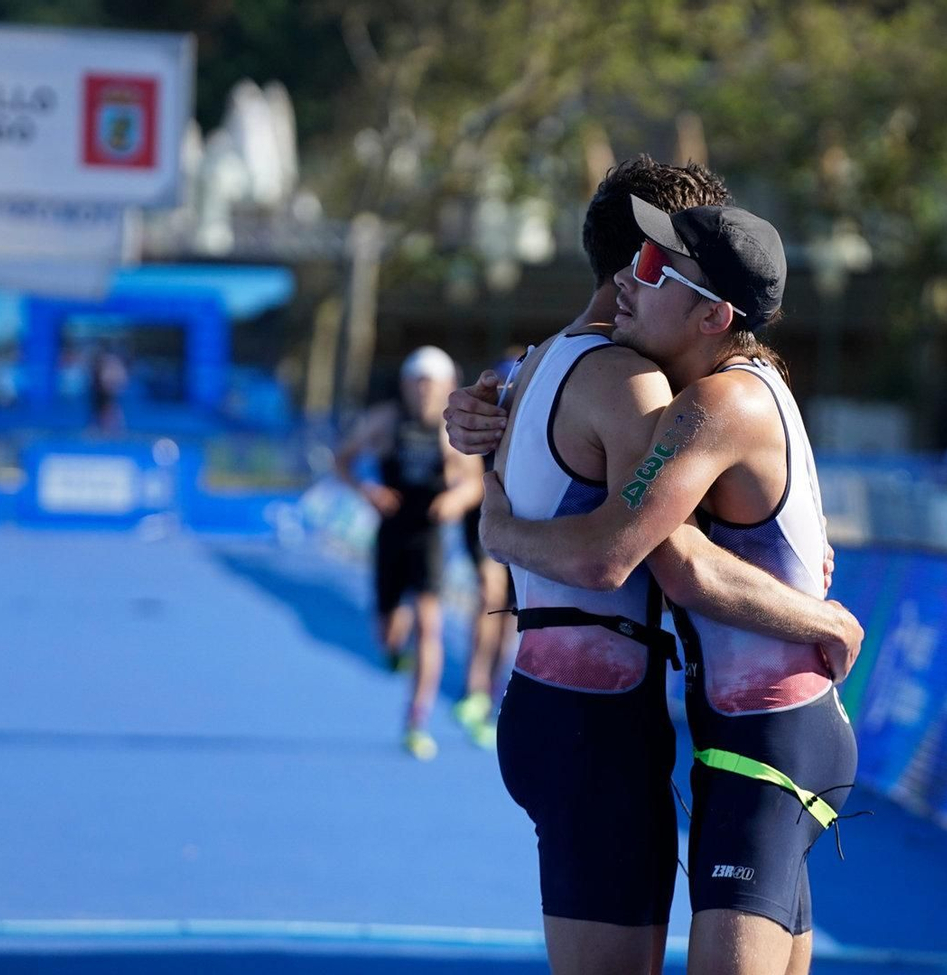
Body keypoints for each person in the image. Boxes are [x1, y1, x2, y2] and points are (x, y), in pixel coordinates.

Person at [446, 160, 863, 975]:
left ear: (712, 313)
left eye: (654, 267)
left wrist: (500, 522)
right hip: (733, 735)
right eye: (633, 262)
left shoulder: (704, 403)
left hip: (760, 738)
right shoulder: (705, 383)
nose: (631, 282)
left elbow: (626, 554)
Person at [335, 346, 482, 761]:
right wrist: (367, 489)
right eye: (417, 384)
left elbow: (474, 483)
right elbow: (341, 460)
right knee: (388, 629)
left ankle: (416, 722)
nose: (424, 393)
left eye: (432, 385)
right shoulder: (384, 421)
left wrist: (455, 501)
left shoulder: (452, 431)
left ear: (448, 387)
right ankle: (393, 650)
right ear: (405, 385)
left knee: (430, 626)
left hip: (429, 536)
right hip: (390, 533)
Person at [452, 347, 529, 749]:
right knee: (489, 596)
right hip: (485, 523)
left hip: (524, 528)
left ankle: (493, 692)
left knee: (508, 616)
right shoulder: (484, 422)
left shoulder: (538, 420)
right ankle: (474, 687)